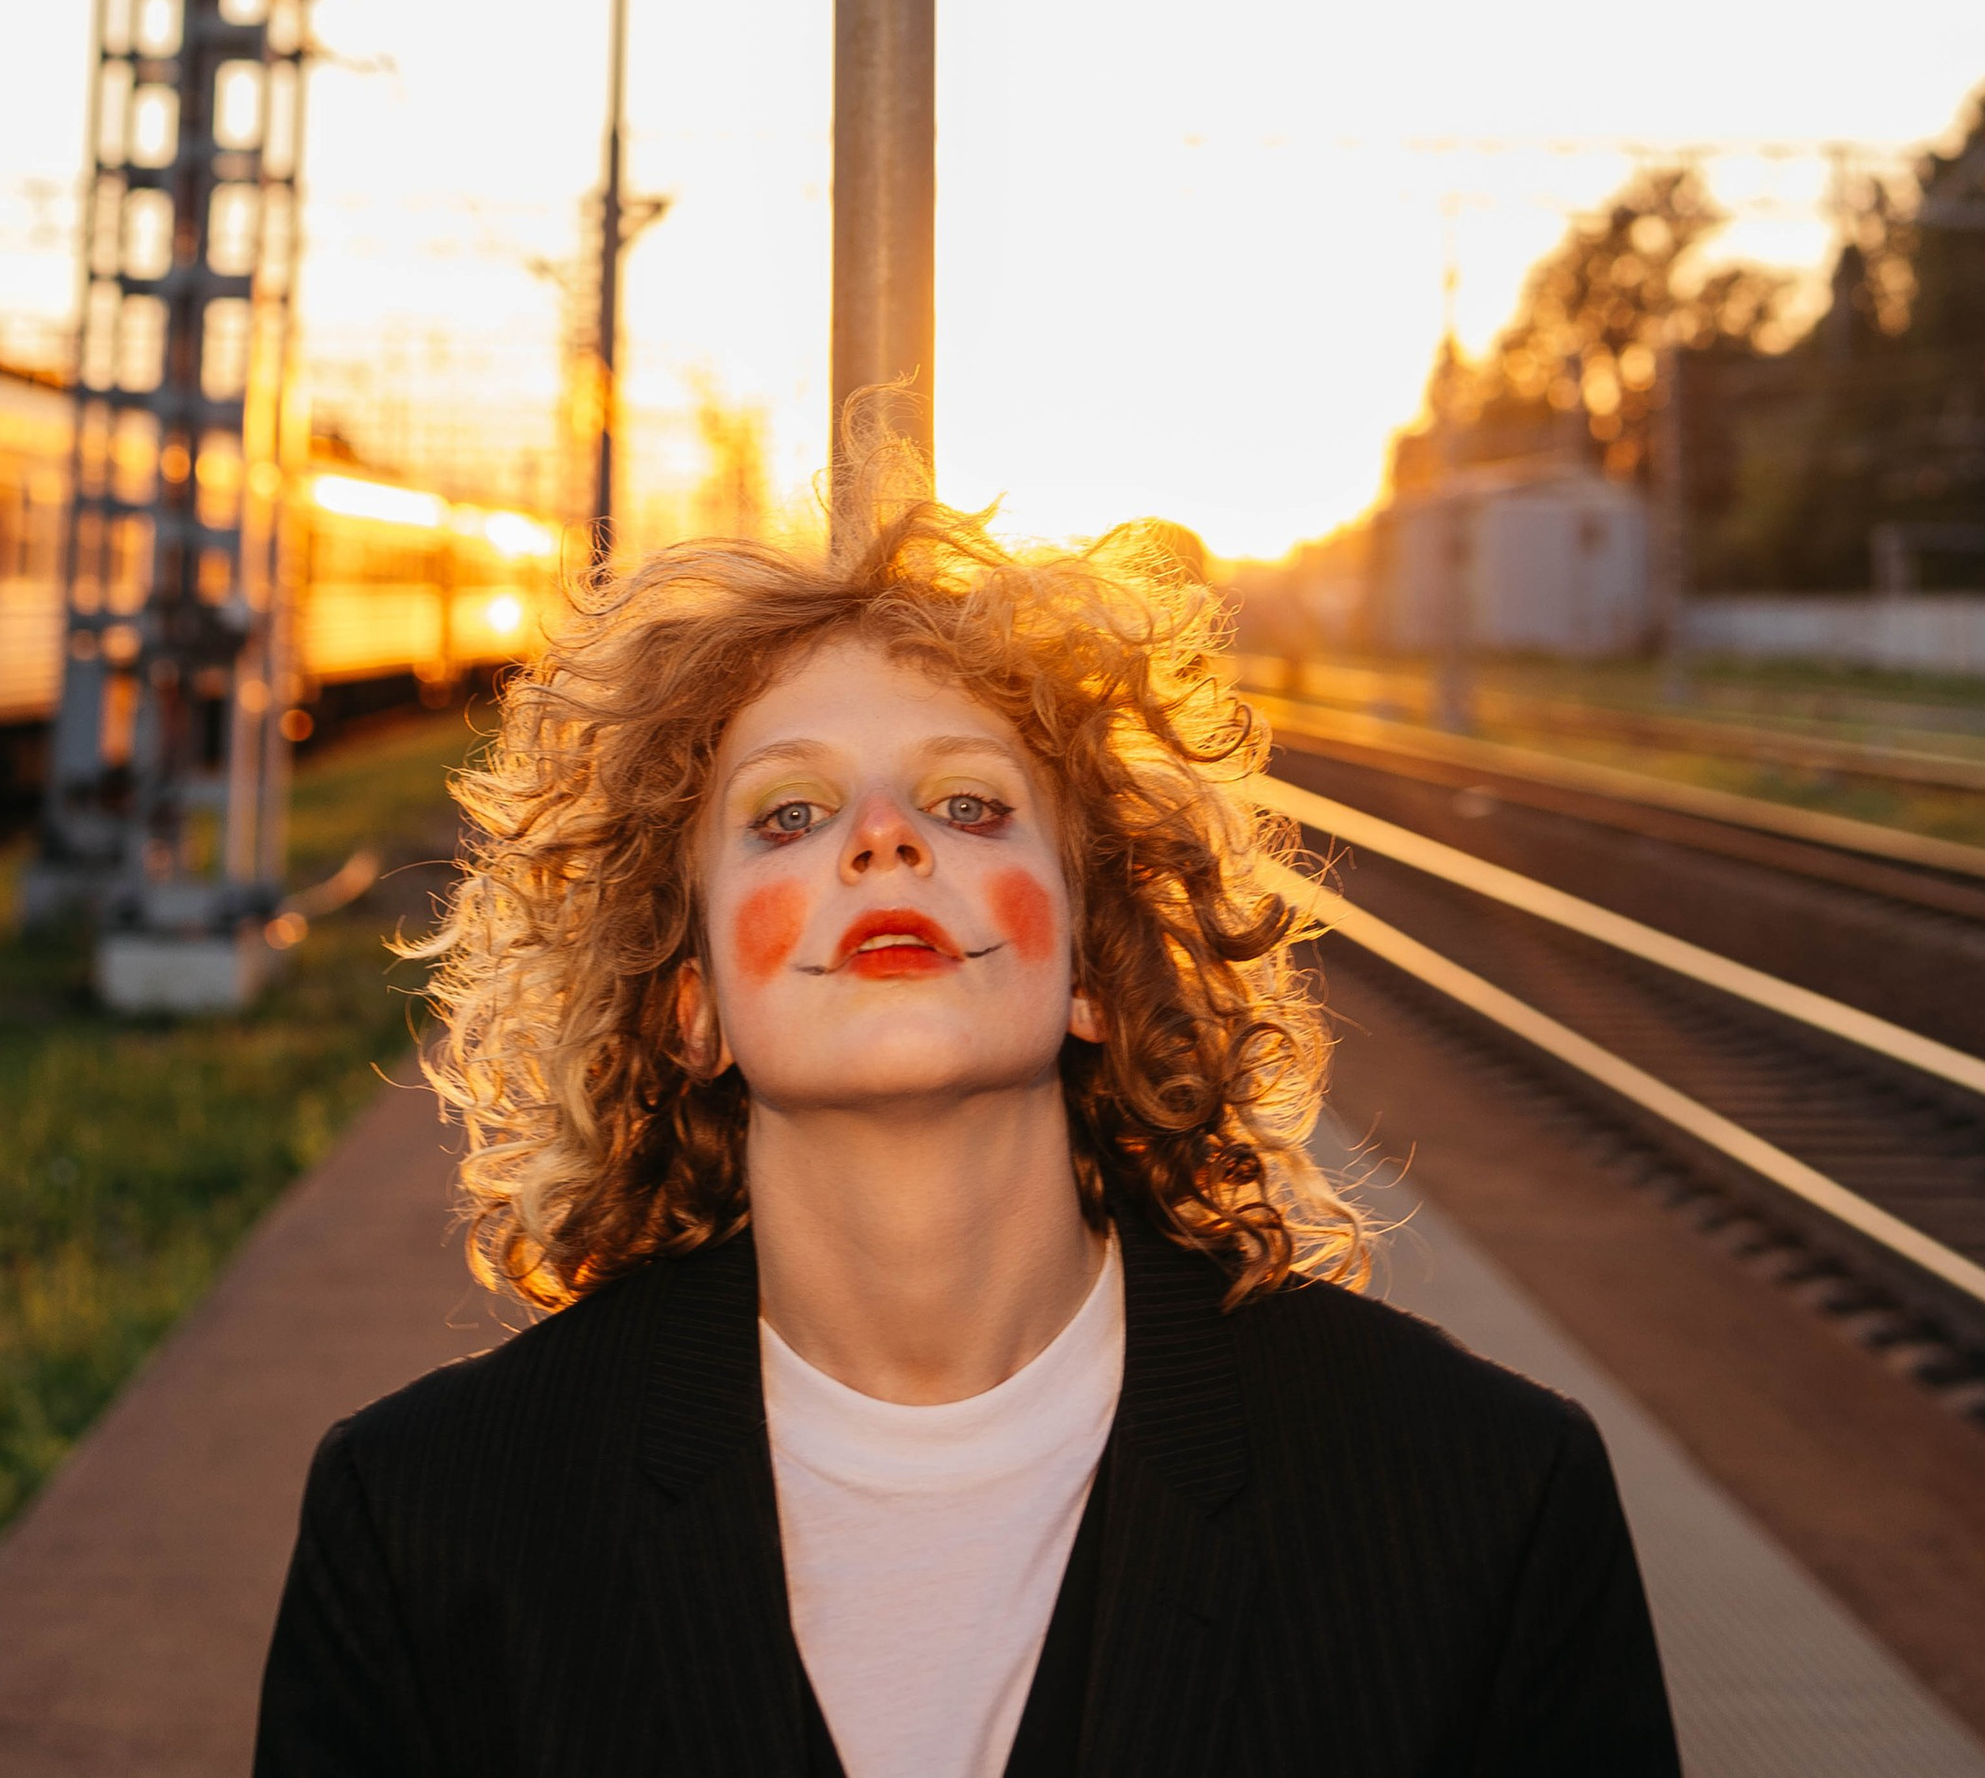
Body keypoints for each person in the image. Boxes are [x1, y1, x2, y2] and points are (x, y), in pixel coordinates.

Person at [255, 459, 1677, 1776]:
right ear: (688, 1002)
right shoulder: (426, 1524)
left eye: (970, 802)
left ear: (1095, 973)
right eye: (792, 812)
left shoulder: (1483, 1498)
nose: (886, 835)